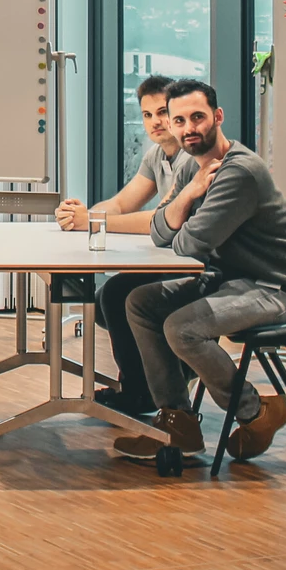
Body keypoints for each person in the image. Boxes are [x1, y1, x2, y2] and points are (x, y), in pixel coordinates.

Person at [112, 79, 286, 462]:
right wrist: (188, 195)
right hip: (233, 280)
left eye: (198, 117)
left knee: (182, 328)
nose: (188, 128)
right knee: (139, 302)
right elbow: (160, 231)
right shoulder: (194, 169)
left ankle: (256, 412)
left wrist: (179, 211)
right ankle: (177, 422)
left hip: (280, 289)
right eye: (179, 121)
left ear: (218, 117)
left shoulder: (238, 172)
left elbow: (188, 244)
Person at [57, 74, 182, 417]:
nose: (155, 122)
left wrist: (91, 220)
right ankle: (139, 388)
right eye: (147, 115)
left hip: (198, 266)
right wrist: (83, 216)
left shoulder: (190, 159)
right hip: (172, 261)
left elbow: (161, 219)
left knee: (116, 295)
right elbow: (122, 203)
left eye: (162, 112)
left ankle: (141, 391)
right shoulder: (157, 156)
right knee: (111, 296)